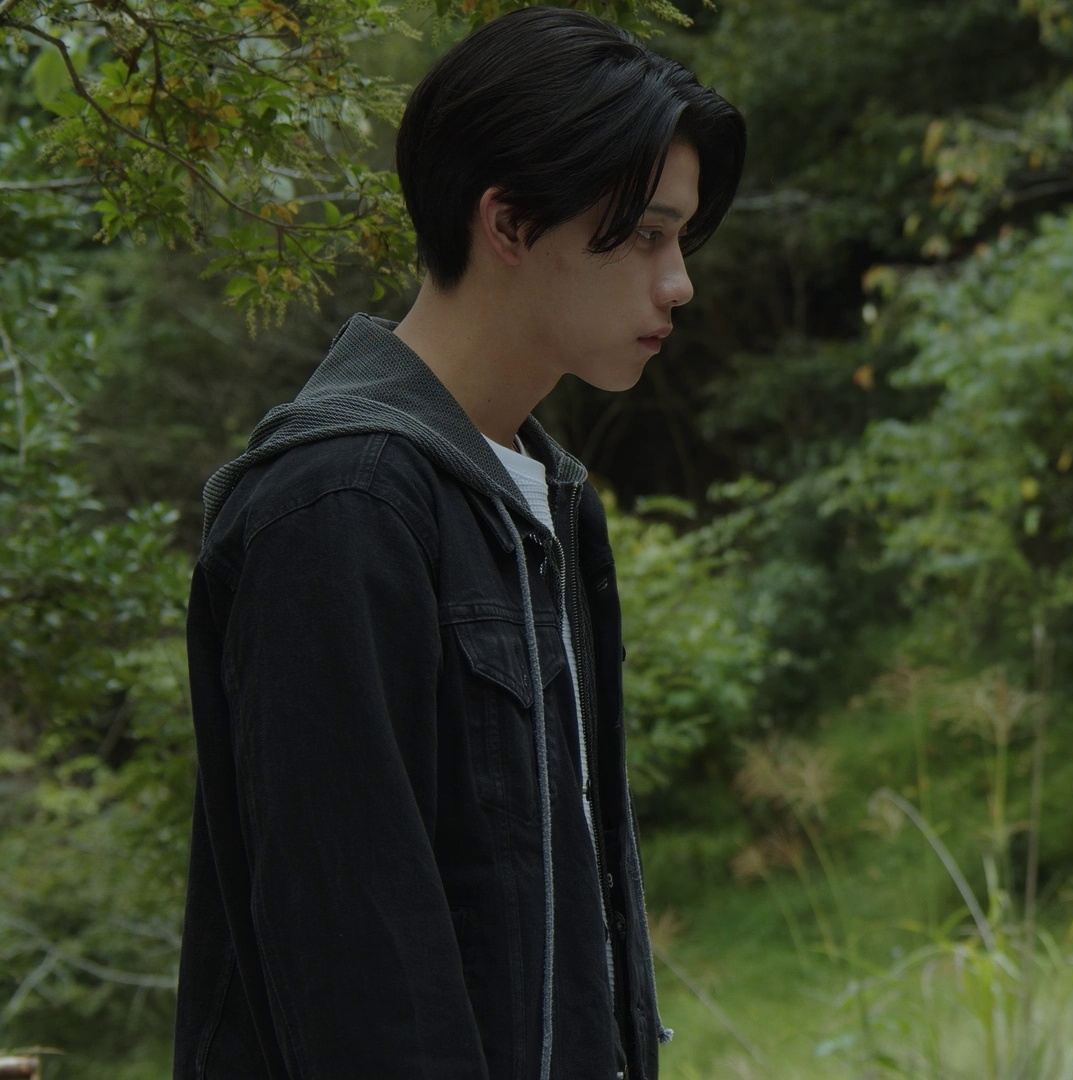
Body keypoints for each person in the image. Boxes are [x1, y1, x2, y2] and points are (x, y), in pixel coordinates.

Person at [172, 9, 744, 1078]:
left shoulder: (544, 502)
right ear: (510, 223)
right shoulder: (339, 502)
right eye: (646, 235)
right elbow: (357, 964)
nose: (679, 283)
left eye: (681, 240)